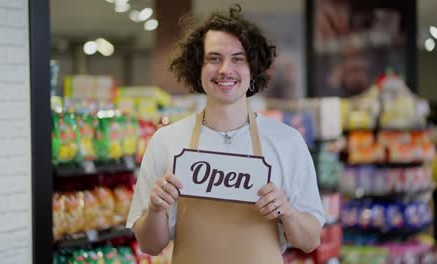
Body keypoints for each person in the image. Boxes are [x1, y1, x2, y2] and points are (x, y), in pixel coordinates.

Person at [126, 4, 325, 263]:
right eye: (214, 58)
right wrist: (155, 209)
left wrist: (286, 211)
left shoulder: (286, 141)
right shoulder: (167, 141)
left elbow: (310, 241)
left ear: (253, 69)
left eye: (238, 58)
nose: (225, 70)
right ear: (197, 68)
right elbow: (150, 246)